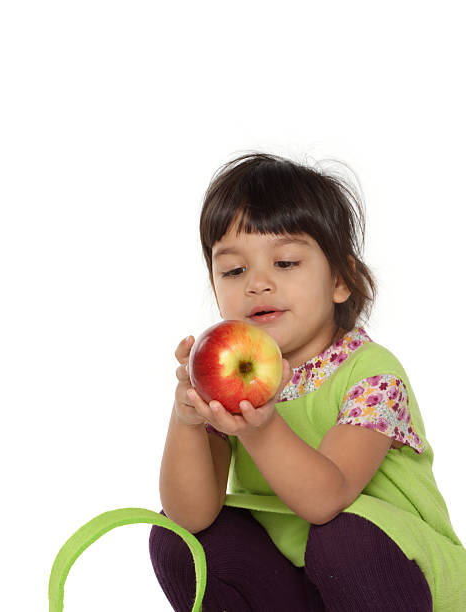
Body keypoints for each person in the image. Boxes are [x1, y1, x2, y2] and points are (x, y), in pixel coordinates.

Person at [149, 151, 466, 611]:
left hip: (394, 579)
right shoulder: (229, 381)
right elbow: (191, 514)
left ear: (341, 280)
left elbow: (326, 498)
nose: (257, 283)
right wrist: (188, 420)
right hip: (296, 583)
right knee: (180, 540)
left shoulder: (373, 373)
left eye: (286, 263)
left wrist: (260, 428)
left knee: (343, 539)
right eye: (234, 271)